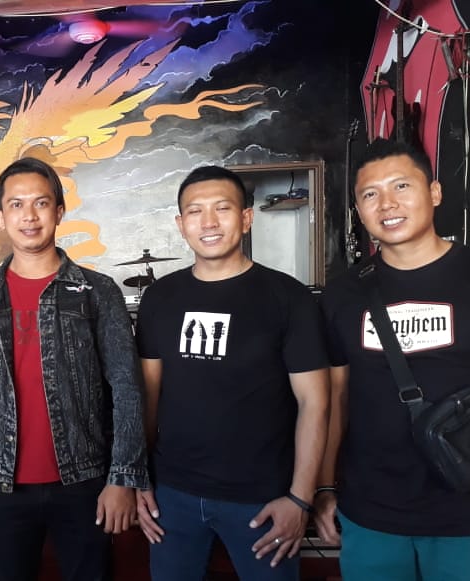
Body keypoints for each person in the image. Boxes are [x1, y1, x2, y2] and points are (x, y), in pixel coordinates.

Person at [316, 138, 470, 580]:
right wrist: (326, 487)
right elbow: (337, 399)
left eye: (402, 186)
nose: (387, 203)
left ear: (435, 192)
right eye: (370, 194)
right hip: (369, 517)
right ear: (359, 209)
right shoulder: (342, 294)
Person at [0, 157, 149, 581]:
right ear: (0, 217)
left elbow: (127, 387)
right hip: (1, 484)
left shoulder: (97, 291)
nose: (29, 216)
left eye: (41, 203)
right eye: (16, 205)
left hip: (85, 481)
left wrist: (122, 478)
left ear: (59, 211)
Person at [134, 165, 330, 580]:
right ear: (180, 224)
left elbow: (314, 401)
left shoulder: (289, 298)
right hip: (173, 496)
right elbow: (148, 396)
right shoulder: (159, 298)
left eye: (222, 209)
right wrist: (140, 480)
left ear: (246, 218)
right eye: (195, 211)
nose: (208, 222)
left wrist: (300, 498)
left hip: (264, 498)